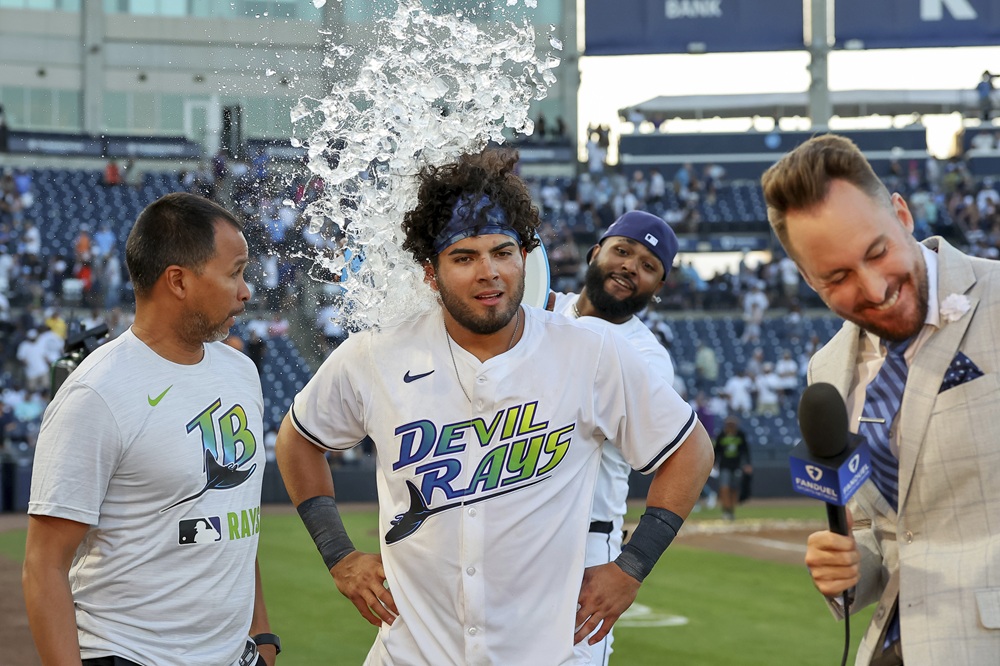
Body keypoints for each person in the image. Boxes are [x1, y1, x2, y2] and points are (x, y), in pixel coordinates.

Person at [276, 148, 714, 665]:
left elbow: (690, 450)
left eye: (503, 252)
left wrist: (632, 566)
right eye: (464, 257)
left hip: (549, 651)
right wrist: (339, 556)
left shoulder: (593, 351)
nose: (490, 272)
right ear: (429, 272)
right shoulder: (375, 354)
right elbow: (298, 440)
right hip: (413, 652)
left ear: (525, 255)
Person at [762, 133, 1000, 665]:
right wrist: (846, 567)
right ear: (807, 279)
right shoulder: (825, 369)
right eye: (838, 276)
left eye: (877, 251)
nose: (873, 289)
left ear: (902, 214)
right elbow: (881, 534)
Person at [23, 193, 279, 666]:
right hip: (129, 655)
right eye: (234, 272)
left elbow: (232, 516)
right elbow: (44, 565)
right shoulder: (96, 393)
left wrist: (262, 638)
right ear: (178, 281)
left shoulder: (241, 372)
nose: (246, 291)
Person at [549, 210, 696, 665]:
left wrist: (631, 567)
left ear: (657, 289)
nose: (632, 265)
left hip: (583, 547)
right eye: (623, 250)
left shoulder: (646, 357)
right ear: (596, 253)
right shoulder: (536, 305)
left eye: (649, 265)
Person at [713, 416, 752, 521]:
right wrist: (714, 462)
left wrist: (747, 464)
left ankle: (731, 510)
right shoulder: (721, 435)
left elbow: (745, 450)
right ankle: (726, 509)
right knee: (724, 488)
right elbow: (717, 451)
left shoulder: (741, 435)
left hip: (737, 466)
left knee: (734, 489)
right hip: (724, 466)